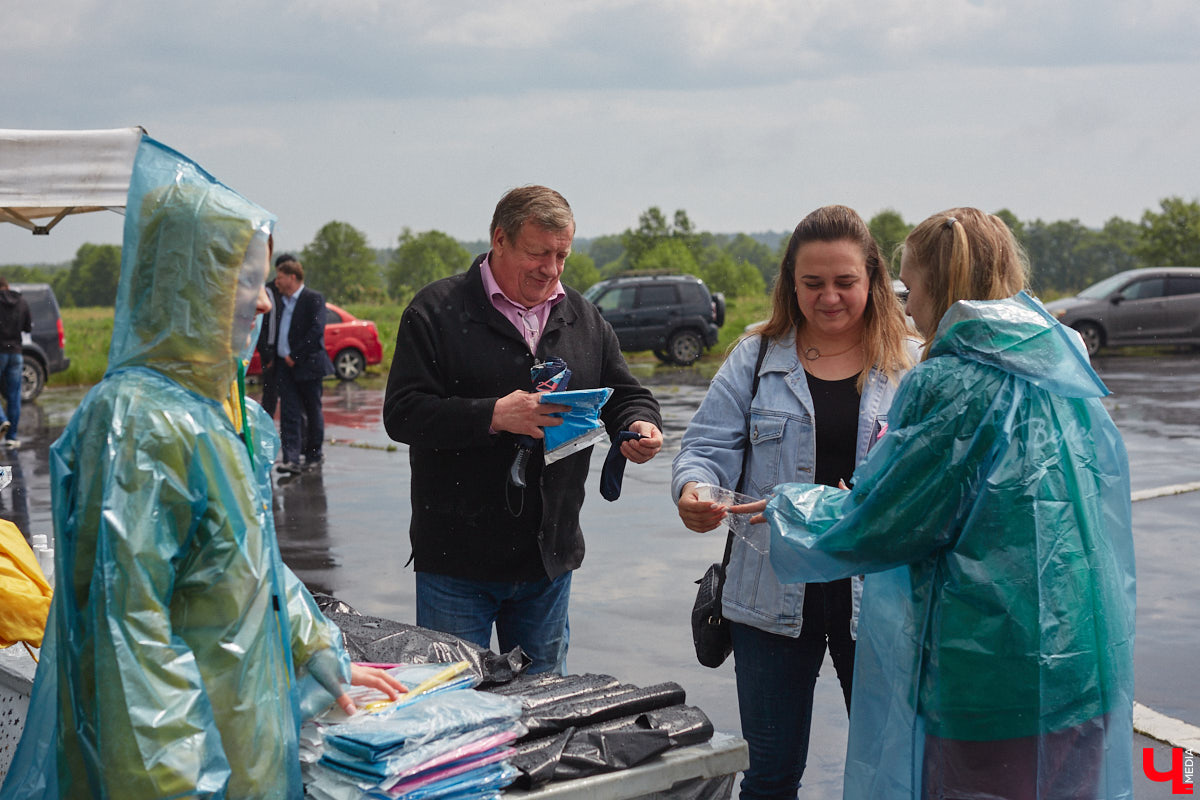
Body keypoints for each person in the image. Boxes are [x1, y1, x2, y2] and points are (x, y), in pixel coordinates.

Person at [0, 136, 403, 800]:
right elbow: (129, 647)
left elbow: (248, 565)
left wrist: (317, 648)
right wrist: (174, 786)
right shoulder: (134, 426)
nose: (267, 301)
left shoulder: (213, 413)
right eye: (248, 279)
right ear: (192, 284)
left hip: (241, 754)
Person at [746, 207, 1135, 799]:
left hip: (989, 670)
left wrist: (789, 507)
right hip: (1082, 660)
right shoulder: (1061, 366)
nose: (905, 306)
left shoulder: (951, 381)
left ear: (943, 288)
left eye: (913, 287)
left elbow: (887, 523)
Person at [672, 205, 916, 799]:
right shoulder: (756, 357)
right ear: (791, 283)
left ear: (874, 280)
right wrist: (693, 491)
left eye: (845, 282)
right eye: (813, 284)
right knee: (771, 775)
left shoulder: (914, 362)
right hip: (768, 601)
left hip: (882, 604)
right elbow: (704, 449)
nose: (829, 297)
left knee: (896, 775)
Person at [383, 185, 663, 675]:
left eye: (562, 256)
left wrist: (640, 424)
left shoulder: (582, 317)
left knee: (542, 715)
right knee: (454, 713)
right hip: (455, 562)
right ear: (499, 240)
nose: (551, 269)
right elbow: (402, 412)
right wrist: (492, 414)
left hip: (546, 562)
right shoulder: (436, 311)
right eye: (538, 253)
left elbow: (625, 393)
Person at [273, 257, 333, 474]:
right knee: (289, 413)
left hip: (308, 365)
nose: (276, 281)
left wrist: (295, 356)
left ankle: (313, 455)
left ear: (292, 277)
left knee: (312, 410)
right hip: (284, 367)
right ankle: (291, 459)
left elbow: (316, 332)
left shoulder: (313, 298)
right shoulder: (281, 301)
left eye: (279, 277)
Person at [0, 276, 32, 447]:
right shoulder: (22, 302)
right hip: (16, 353)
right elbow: (28, 328)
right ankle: (11, 437)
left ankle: (2, 420)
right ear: (8, 286)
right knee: (14, 395)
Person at [254, 254, 288, 417]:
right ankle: (266, 432)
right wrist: (266, 354)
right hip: (270, 352)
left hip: (287, 355)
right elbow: (261, 326)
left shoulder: (291, 295)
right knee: (270, 396)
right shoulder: (268, 292)